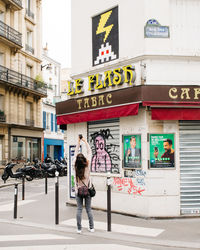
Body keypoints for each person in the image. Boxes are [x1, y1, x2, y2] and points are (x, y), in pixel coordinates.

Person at [74, 135, 94, 234]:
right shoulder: (87, 165)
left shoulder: (75, 166)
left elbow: (75, 153)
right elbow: (90, 152)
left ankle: (79, 229)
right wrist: (85, 142)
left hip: (78, 190)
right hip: (87, 190)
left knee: (79, 209)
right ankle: (91, 227)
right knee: (89, 209)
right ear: (84, 160)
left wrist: (78, 142)